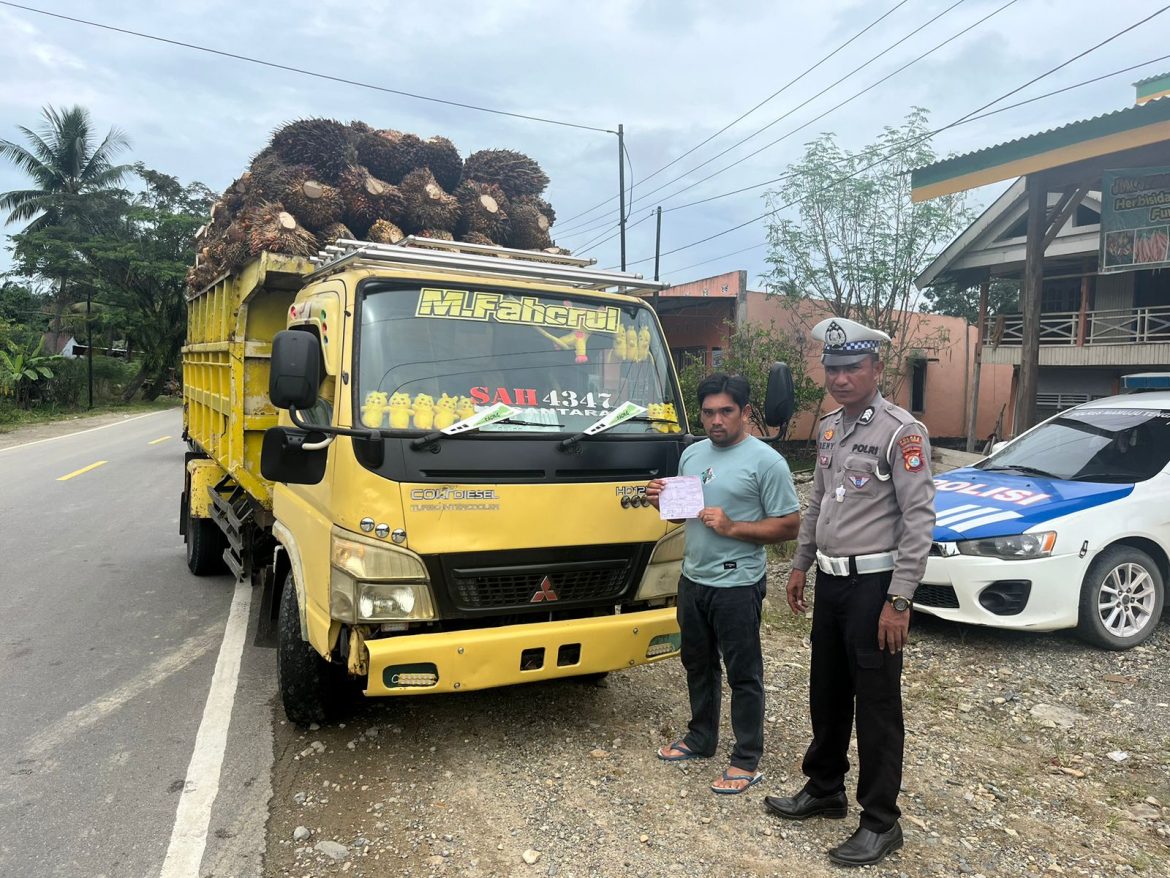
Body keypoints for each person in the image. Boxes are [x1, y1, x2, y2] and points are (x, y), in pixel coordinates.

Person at [764, 318, 935, 868]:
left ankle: (881, 821)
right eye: (832, 368)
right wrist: (799, 565)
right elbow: (816, 501)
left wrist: (900, 598)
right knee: (828, 689)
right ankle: (824, 787)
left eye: (851, 368)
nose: (839, 378)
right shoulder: (832, 427)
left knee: (878, 704)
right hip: (833, 581)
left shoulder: (901, 432)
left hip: (875, 586)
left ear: (876, 369)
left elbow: (918, 520)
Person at [646, 373, 800, 794]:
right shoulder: (693, 455)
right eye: (709, 412)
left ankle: (746, 758)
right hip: (693, 578)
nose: (717, 420)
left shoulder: (766, 462)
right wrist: (660, 501)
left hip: (738, 584)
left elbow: (790, 525)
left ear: (745, 413)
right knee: (697, 662)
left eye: (726, 411)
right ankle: (701, 737)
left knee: (743, 674)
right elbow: (680, 515)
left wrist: (733, 528)